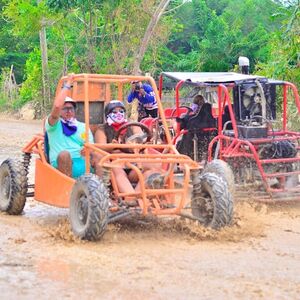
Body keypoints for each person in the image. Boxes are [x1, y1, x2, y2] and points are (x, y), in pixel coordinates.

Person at [94, 100, 164, 194]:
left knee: (155, 166)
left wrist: (139, 142)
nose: (118, 114)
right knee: (116, 169)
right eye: (114, 112)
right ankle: (130, 197)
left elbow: (140, 137)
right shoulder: (102, 129)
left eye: (121, 111)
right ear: (108, 114)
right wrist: (113, 146)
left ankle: (138, 196)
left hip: (134, 162)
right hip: (117, 163)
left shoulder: (132, 126)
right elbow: (100, 147)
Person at [45, 75, 94, 178]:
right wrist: (68, 84)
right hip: (61, 164)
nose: (69, 111)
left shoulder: (83, 127)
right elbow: (57, 106)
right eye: (65, 109)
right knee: (64, 155)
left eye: (71, 108)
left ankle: (104, 189)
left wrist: (88, 150)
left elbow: (91, 147)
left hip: (82, 162)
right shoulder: (54, 124)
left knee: (100, 156)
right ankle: (68, 190)